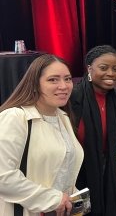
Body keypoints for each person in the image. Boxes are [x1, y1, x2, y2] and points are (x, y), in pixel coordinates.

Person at [0, 54, 84, 216]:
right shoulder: (16, 117)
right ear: (35, 84)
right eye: (53, 80)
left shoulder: (63, 118)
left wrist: (71, 199)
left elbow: (63, 171)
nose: (63, 86)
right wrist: (52, 199)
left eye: (67, 79)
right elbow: (3, 176)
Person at [70, 45, 116, 216]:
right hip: (77, 173)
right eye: (103, 68)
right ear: (89, 69)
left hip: (106, 168)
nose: (111, 73)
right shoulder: (73, 97)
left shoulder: (115, 98)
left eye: (115, 69)